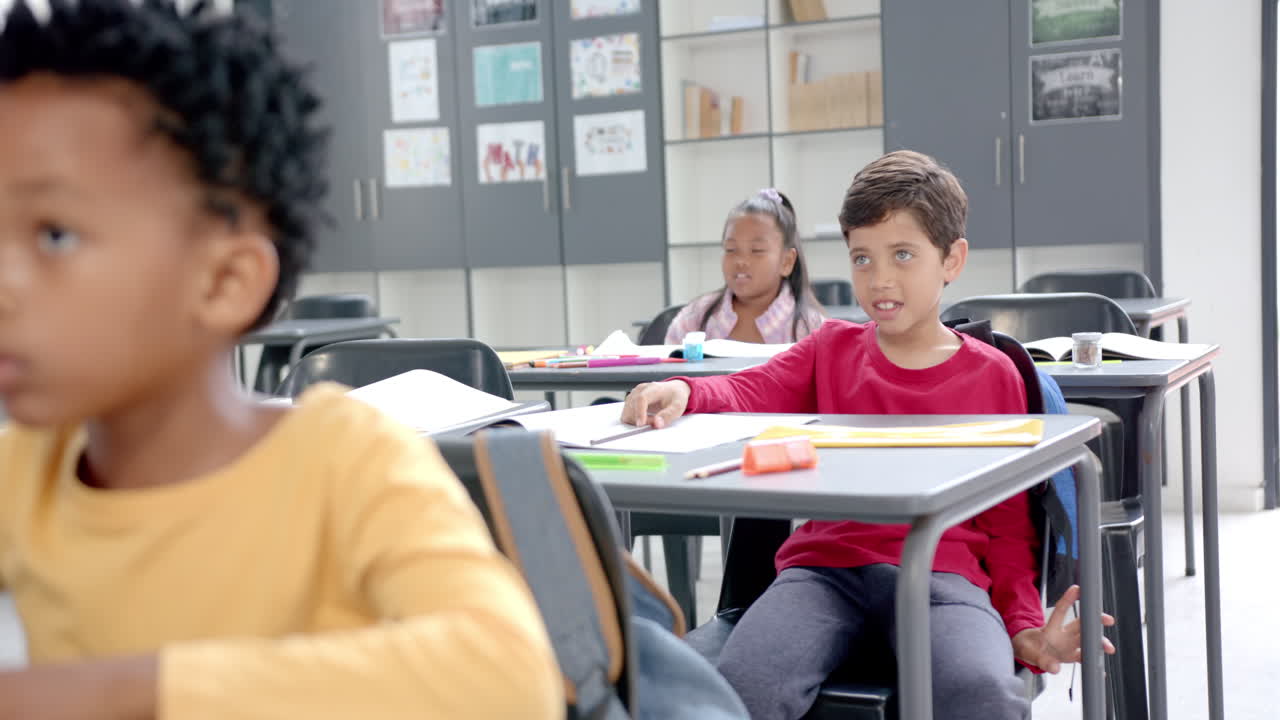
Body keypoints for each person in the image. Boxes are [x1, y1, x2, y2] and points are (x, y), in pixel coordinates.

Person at [0, 1, 560, 718]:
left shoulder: (345, 462)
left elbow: (510, 678)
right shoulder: (26, 466)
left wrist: (115, 694)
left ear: (224, 282)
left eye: (52, 236)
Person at [622, 150, 1115, 720]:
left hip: (943, 574)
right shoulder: (830, 348)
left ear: (951, 259)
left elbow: (1007, 532)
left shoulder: (992, 374)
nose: (880, 279)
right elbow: (747, 389)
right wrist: (684, 390)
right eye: (862, 258)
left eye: (903, 255)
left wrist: (1025, 628)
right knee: (742, 687)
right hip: (823, 573)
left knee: (980, 693)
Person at [664, 189, 826, 346]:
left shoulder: (810, 329)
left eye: (756, 250)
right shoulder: (695, 319)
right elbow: (668, 371)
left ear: (786, 262)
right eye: (731, 250)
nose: (740, 261)